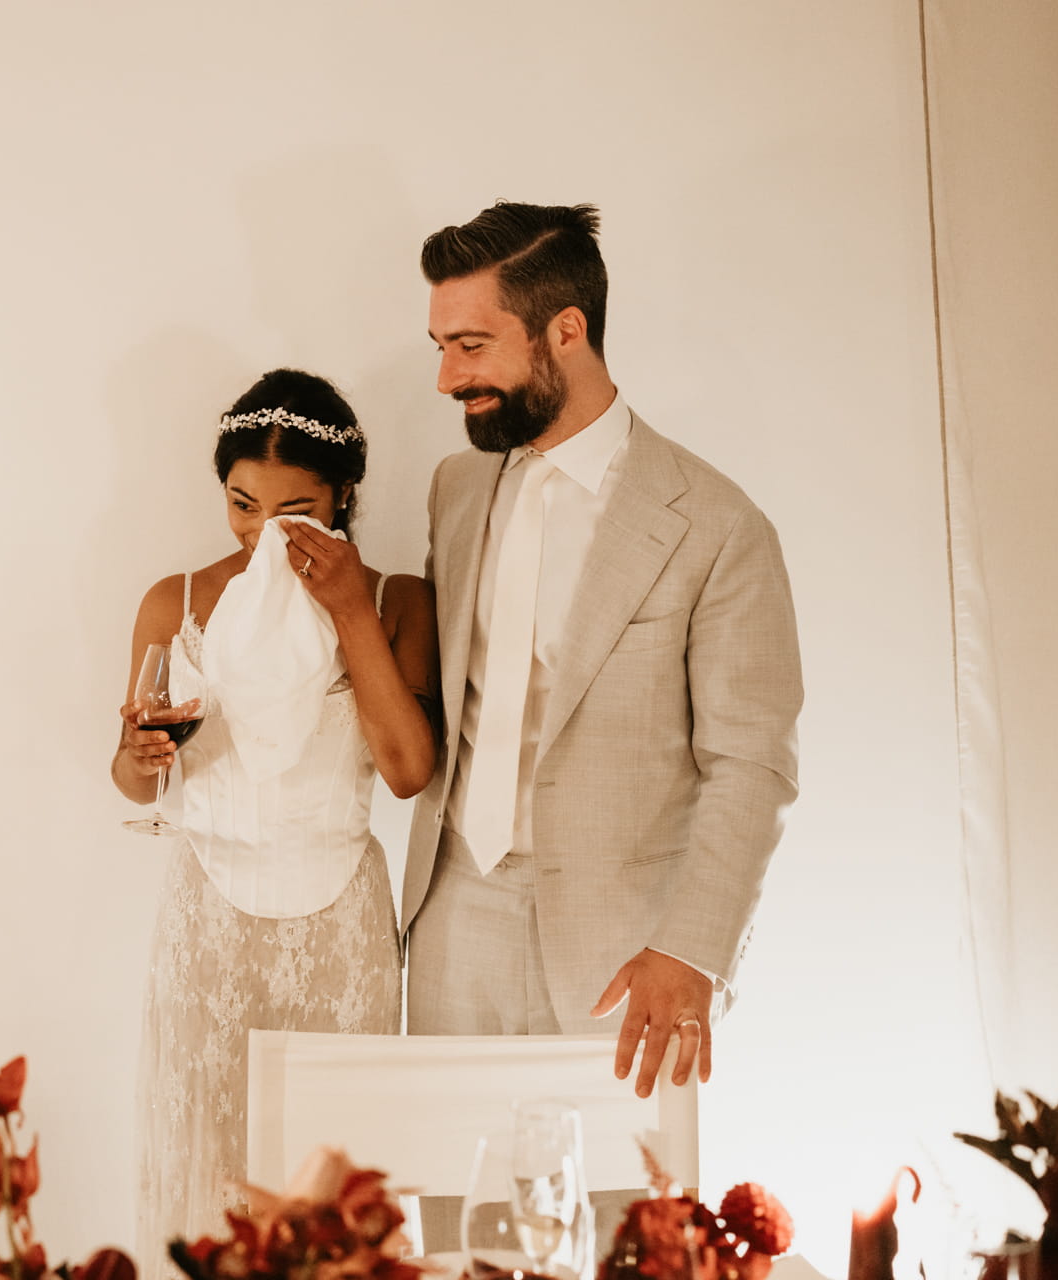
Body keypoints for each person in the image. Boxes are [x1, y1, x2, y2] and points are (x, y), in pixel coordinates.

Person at [405, 202, 803, 1098]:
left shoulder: (718, 523)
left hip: (629, 954)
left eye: (471, 346)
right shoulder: (455, 489)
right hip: (451, 920)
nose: (446, 377)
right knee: (443, 1185)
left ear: (566, 330)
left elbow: (753, 764)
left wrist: (692, 948)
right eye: (440, 346)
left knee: (624, 1188)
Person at [113, 368, 439, 1266]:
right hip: (207, 929)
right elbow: (134, 781)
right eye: (242, 505)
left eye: (295, 509)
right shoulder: (175, 601)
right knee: (206, 1175)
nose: (262, 532)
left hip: (340, 934)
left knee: (336, 1186)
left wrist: (347, 608)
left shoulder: (397, 601)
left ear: (343, 498)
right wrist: (140, 756)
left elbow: (409, 771)